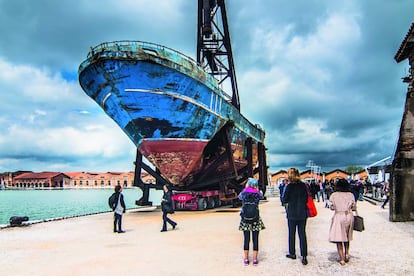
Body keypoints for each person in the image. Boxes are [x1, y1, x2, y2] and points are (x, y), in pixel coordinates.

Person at [282, 168, 309, 265]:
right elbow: (306, 199)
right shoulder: (303, 185)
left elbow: (284, 200)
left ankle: (292, 253)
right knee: (302, 234)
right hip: (302, 212)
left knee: (291, 233)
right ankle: (304, 256)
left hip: (292, 212)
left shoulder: (289, 186)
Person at [328, 178, 356, 265]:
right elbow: (354, 207)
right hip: (349, 215)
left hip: (339, 215)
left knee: (339, 238)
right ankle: (347, 253)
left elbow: (332, 207)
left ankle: (342, 259)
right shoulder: (351, 195)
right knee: (347, 237)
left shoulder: (334, 195)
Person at [238, 178, 265, 266]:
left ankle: (246, 259)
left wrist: (245, 189)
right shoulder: (257, 193)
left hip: (245, 219)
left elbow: (239, 197)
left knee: (246, 239)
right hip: (255, 219)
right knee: (255, 239)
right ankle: (254, 259)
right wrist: (257, 190)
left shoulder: (244, 193)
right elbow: (262, 197)